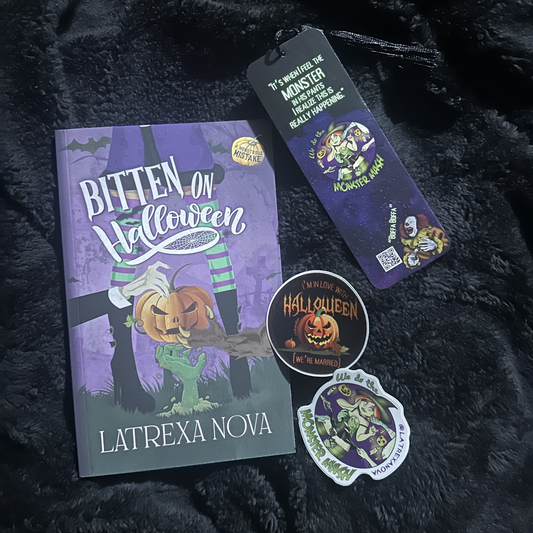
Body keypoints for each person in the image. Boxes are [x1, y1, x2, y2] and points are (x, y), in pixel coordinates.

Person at [316, 389, 396, 467]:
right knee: (325, 422)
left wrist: (369, 434)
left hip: (344, 437)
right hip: (335, 426)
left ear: (373, 414)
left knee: (343, 448)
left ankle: (327, 455)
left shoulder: (364, 422)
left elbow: (358, 437)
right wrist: (352, 406)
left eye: (370, 409)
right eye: (365, 402)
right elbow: (339, 401)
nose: (365, 407)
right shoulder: (354, 409)